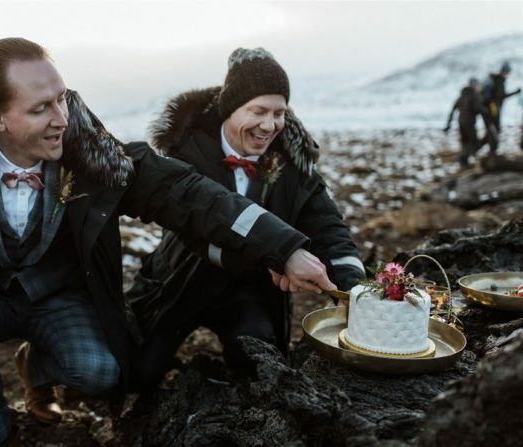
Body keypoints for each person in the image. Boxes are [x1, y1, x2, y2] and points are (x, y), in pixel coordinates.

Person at [0, 38, 336, 447]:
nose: (60, 120)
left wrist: (284, 248)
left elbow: (190, 196)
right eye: (39, 109)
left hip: (56, 295)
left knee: (103, 372)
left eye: (62, 100)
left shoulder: (97, 157)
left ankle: (37, 368)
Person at [126, 48, 365, 391]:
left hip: (248, 289)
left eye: (279, 113)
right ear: (230, 108)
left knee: (259, 360)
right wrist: (280, 258)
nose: (270, 126)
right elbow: (195, 230)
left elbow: (327, 226)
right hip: (181, 280)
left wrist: (354, 288)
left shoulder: (292, 163)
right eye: (259, 111)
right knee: (138, 372)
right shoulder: (185, 150)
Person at [444, 78, 492, 167]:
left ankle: (464, 161)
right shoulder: (474, 95)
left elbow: (453, 110)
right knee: (474, 142)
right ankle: (468, 159)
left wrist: (448, 125)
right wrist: (487, 111)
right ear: (474, 86)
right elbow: (477, 107)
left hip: (460, 122)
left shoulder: (462, 96)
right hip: (469, 123)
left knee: (465, 142)